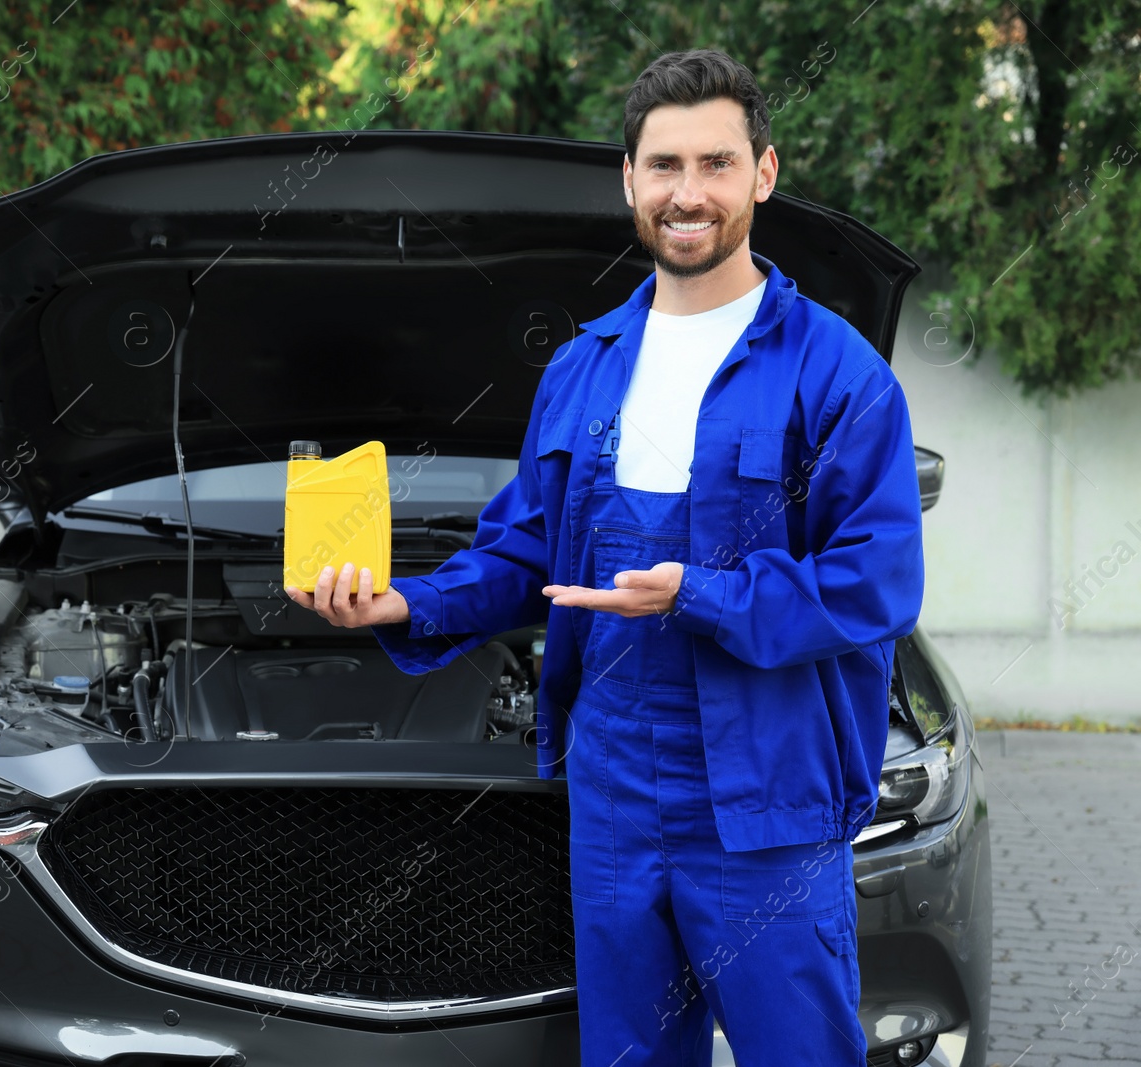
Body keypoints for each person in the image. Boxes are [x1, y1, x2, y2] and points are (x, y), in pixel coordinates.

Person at [285, 48, 924, 1067]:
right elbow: (525, 544)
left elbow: (875, 581)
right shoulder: (584, 368)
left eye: (715, 164)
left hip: (766, 790)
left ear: (763, 172)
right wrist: (403, 604)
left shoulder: (836, 372)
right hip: (615, 781)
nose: (688, 193)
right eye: (662, 166)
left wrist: (700, 593)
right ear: (628, 180)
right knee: (628, 1053)